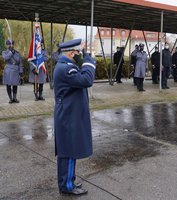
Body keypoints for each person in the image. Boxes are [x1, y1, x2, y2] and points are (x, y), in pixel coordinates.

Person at [53, 38, 96, 195]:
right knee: (69, 152)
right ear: (72, 53)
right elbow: (87, 79)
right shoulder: (67, 68)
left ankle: (68, 181)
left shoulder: (66, 65)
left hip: (68, 114)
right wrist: (88, 60)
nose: (80, 55)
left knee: (68, 151)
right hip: (68, 116)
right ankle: (67, 186)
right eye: (78, 52)